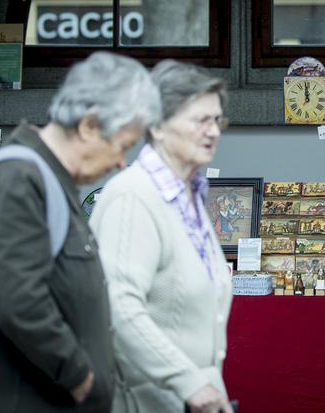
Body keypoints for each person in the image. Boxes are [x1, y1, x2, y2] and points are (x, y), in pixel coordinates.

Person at [0, 52, 161, 413]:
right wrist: (80, 377)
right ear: (89, 126)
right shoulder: (20, 181)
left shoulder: (45, 180)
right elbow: (19, 303)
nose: (123, 162)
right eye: (124, 145)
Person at [90, 59, 234, 413]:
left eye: (216, 120)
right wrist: (188, 381)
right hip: (140, 402)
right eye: (200, 120)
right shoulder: (133, 196)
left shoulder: (191, 197)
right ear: (157, 126)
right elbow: (118, 306)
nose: (213, 131)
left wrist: (207, 383)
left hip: (186, 401)